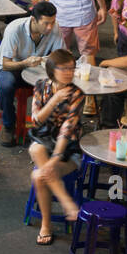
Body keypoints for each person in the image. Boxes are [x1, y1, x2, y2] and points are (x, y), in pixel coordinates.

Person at [28, 49, 86, 243]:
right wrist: (54, 100)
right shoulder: (41, 86)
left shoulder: (77, 94)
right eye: (65, 68)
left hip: (68, 150)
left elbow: (67, 131)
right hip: (45, 142)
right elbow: (36, 121)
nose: (70, 72)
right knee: (35, 148)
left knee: (38, 176)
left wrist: (54, 159)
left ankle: (46, 225)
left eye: (72, 68)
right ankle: (66, 201)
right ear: (52, 70)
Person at [0, 2, 63, 144]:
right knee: (6, 85)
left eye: (53, 22)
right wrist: (25, 63)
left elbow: (61, 56)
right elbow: (5, 64)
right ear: (33, 20)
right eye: (46, 23)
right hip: (13, 69)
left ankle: (48, 129)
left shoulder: (55, 28)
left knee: (59, 83)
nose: (50, 27)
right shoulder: (14, 29)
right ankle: (8, 126)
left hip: (37, 71)